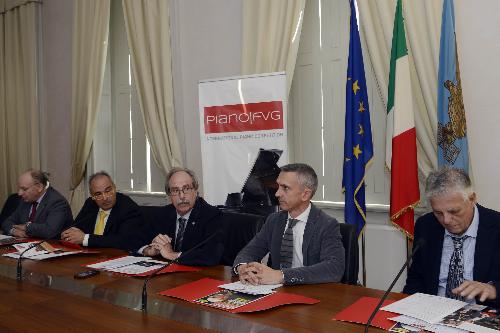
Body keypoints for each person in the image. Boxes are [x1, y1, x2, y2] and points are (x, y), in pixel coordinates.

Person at [233, 163, 345, 285]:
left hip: (310, 292)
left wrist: (282, 276)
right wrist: (243, 268)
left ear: (305, 194)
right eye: (278, 187)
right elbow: (250, 251)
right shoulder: (274, 220)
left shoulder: (326, 225)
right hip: (275, 292)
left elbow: (334, 268)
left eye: (285, 188)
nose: (277, 194)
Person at [404, 167, 500, 306]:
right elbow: (416, 279)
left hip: (481, 317)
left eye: (453, 211)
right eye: (438, 213)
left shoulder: (496, 227)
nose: (446, 220)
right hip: (432, 312)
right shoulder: (426, 225)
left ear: (472, 199)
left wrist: (493, 289)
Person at [130, 167, 223, 266]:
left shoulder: (212, 215)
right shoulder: (162, 214)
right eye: (175, 190)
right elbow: (133, 238)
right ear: (169, 195)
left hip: (198, 275)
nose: (181, 196)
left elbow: (211, 255)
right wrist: (149, 250)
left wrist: (171, 255)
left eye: (186, 189)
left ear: (195, 191)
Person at [61, 171, 142, 250]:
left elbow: (124, 241)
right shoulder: (90, 203)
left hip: (115, 256)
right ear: (92, 196)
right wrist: (69, 233)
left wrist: (85, 239)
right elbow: (77, 226)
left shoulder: (127, 206)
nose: (105, 198)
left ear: (114, 188)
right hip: (89, 254)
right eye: (98, 194)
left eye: (108, 191)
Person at [1, 169, 72, 238]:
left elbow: (50, 231)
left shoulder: (57, 202)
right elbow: (7, 222)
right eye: (19, 188)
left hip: (53, 245)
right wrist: (13, 231)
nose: (20, 193)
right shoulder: (26, 200)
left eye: (24, 189)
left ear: (39, 187)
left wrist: (26, 227)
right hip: (27, 244)